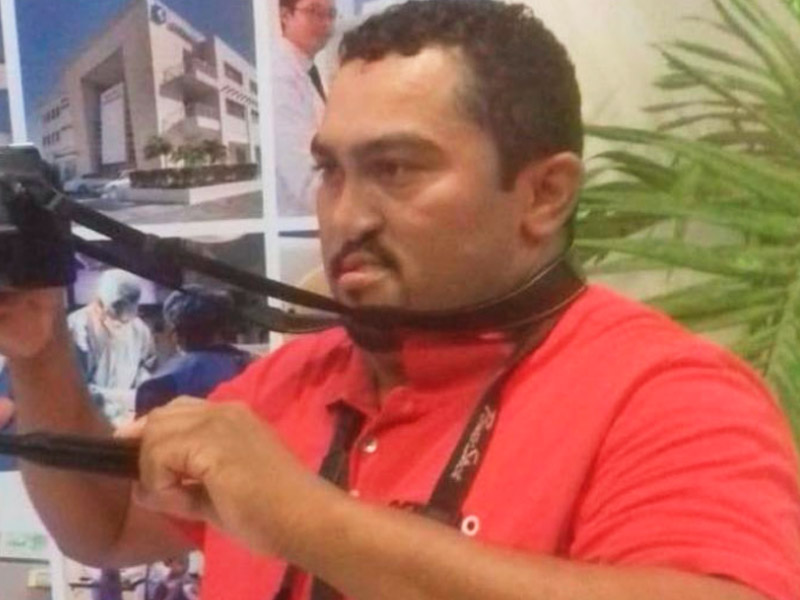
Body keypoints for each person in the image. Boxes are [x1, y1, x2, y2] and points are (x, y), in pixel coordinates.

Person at [0, 2, 798, 600]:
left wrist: (305, 518)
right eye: (331, 171)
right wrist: (37, 352)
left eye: (397, 169)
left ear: (545, 193)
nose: (346, 216)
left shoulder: (665, 394)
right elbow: (105, 527)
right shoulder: (291, 381)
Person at [135, 285, 251, 417]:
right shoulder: (251, 367)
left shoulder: (160, 384)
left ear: (176, 334)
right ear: (222, 327)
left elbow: (145, 427)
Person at [67, 269, 156, 423]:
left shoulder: (139, 329)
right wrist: (114, 401)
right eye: (116, 311)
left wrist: (143, 390)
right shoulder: (77, 327)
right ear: (99, 302)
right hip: (90, 418)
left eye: (128, 314)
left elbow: (146, 366)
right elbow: (72, 386)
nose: (122, 321)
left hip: (129, 417)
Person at [274, 0, 337, 216]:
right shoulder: (279, 72)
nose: (325, 23)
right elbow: (303, 175)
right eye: (314, 11)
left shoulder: (309, 70)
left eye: (331, 14)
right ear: (285, 15)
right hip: (298, 219)